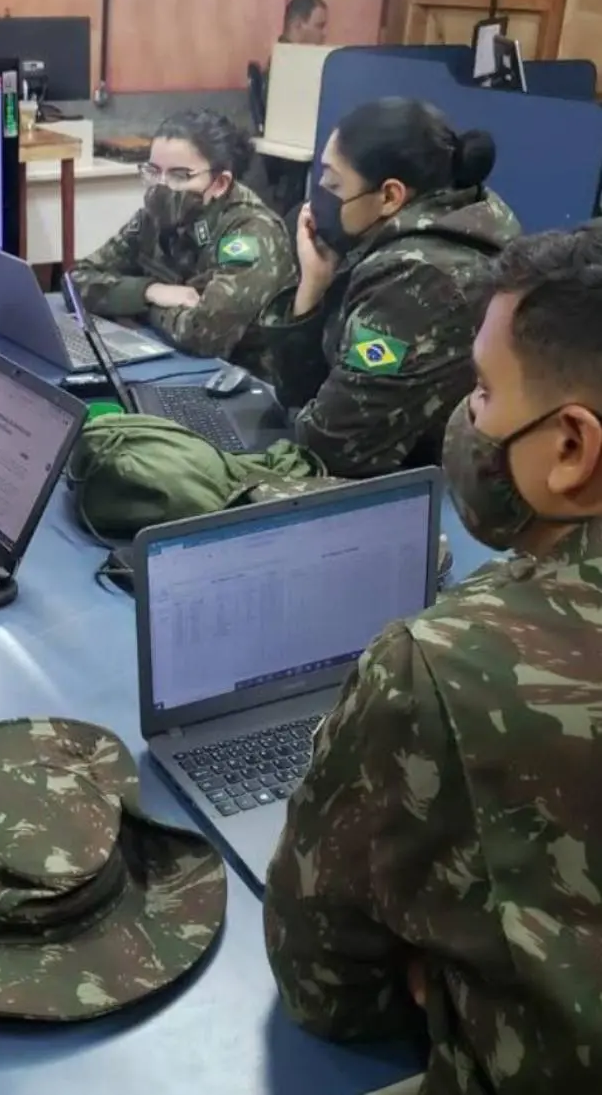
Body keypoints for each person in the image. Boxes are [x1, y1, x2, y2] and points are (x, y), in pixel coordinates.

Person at [265, 224, 602, 1093]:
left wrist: (449, 979)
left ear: (571, 447)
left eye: (484, 390)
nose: (470, 419)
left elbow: (323, 986)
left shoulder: (445, 665)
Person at [256, 98, 520, 477]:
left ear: (390, 196)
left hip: (440, 499)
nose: (318, 199)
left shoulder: (421, 279)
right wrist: (314, 286)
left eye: (333, 182)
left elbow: (332, 447)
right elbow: (303, 393)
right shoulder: (419, 230)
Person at [70, 109, 295, 375]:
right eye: (153, 171)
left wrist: (140, 306)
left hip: (241, 382)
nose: (162, 185)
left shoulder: (249, 233)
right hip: (171, 358)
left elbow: (203, 334)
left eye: (179, 175)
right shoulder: (155, 216)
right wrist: (149, 291)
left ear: (220, 183)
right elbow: (77, 279)